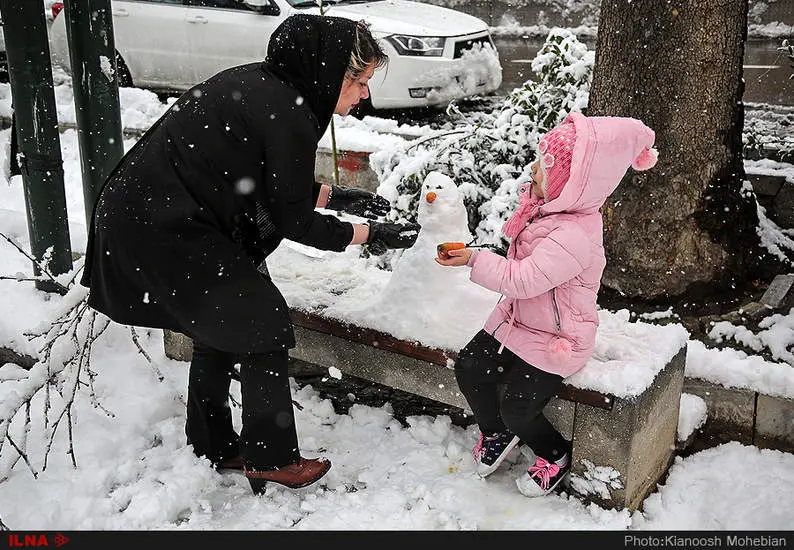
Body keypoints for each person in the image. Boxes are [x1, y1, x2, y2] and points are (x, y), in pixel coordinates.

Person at [79, 13, 421, 495]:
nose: (365, 95)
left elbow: (261, 179)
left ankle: (213, 443)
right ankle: (271, 458)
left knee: (223, 325)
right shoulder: (289, 112)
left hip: (148, 213)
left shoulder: (266, 87)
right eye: (361, 81)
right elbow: (291, 217)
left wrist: (335, 197)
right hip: (164, 226)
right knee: (262, 320)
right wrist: (368, 234)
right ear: (331, 73)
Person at [435, 112, 658, 497]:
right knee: (471, 367)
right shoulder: (549, 211)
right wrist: (478, 256)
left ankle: (554, 454)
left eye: (545, 166)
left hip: (557, 338)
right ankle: (497, 434)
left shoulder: (573, 233)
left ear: (574, 185)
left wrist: (473, 259)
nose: (534, 169)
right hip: (518, 322)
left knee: (518, 408)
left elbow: (523, 279)